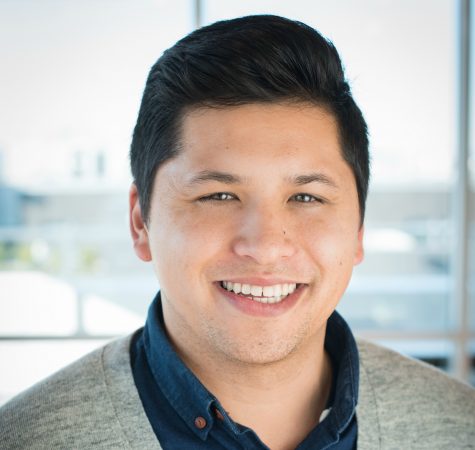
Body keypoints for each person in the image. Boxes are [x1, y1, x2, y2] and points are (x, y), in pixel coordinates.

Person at [1, 14, 474, 450]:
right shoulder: (25, 438)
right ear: (140, 221)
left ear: (358, 231)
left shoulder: (459, 426)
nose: (266, 245)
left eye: (306, 197)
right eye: (219, 196)